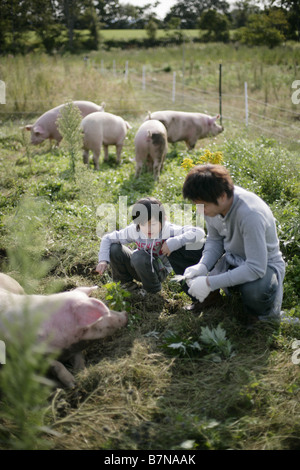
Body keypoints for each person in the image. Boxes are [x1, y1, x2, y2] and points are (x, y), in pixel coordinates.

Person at [182, 164, 285, 321]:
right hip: (232, 257)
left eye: (203, 205)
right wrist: (202, 266)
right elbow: (215, 239)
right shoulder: (212, 203)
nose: (200, 210)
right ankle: (211, 298)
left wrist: (209, 282)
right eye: (197, 205)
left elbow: (256, 268)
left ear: (223, 196)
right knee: (180, 250)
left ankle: (256, 316)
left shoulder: (250, 214)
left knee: (255, 292)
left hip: (263, 265)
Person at [96, 197, 205, 294]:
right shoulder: (134, 230)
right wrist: (103, 260)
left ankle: (151, 290)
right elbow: (107, 238)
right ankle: (126, 284)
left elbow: (199, 232)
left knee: (139, 256)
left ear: (164, 220)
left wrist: (175, 242)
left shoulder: (169, 230)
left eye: (153, 224)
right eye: (143, 224)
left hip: (158, 271)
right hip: (138, 266)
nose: (148, 229)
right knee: (115, 248)